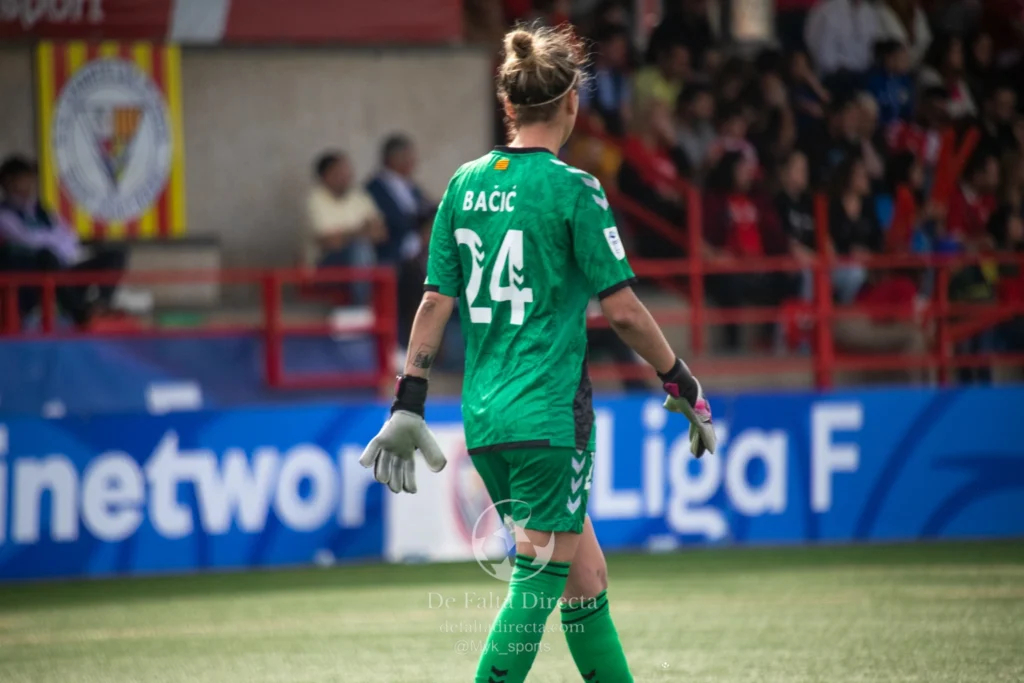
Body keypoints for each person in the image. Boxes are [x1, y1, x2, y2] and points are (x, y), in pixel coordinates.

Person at [358, 24, 714, 683]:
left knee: (586, 578)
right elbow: (626, 310)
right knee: (541, 578)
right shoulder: (574, 189)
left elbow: (434, 304)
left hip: (486, 417)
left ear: (508, 105)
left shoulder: (463, 186)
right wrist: (680, 381)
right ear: (572, 103)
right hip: (550, 417)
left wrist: (409, 398)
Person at [0, 155, 125, 327]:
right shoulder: (5, 215)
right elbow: (30, 241)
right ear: (8, 182)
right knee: (47, 256)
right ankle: (80, 315)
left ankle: (100, 307)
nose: (28, 184)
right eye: (23, 179)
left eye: (30, 179)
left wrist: (61, 245)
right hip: (33, 276)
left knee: (115, 254)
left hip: (64, 267)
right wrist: (57, 242)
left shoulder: (41, 210)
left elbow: (69, 235)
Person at [703, 151, 797, 350]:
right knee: (730, 285)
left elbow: (776, 236)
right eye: (742, 169)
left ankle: (771, 338)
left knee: (789, 278)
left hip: (759, 267)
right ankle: (733, 344)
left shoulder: (759, 200)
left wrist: (785, 257)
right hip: (728, 269)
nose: (748, 173)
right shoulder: (714, 200)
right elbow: (701, 239)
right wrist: (715, 256)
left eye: (748, 170)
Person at [305, 151, 384, 305]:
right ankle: (362, 308)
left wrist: (348, 234)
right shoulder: (314, 200)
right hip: (323, 267)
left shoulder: (359, 197)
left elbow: (381, 234)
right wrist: (360, 231)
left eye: (349, 171)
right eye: (341, 171)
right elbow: (329, 243)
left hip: (363, 261)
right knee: (360, 249)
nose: (348, 176)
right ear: (326, 175)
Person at [366, 134, 433, 265]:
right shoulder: (375, 188)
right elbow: (387, 220)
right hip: (394, 249)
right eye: (409, 156)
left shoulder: (412, 187)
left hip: (421, 244)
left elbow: (426, 209)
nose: (414, 161)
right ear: (394, 158)